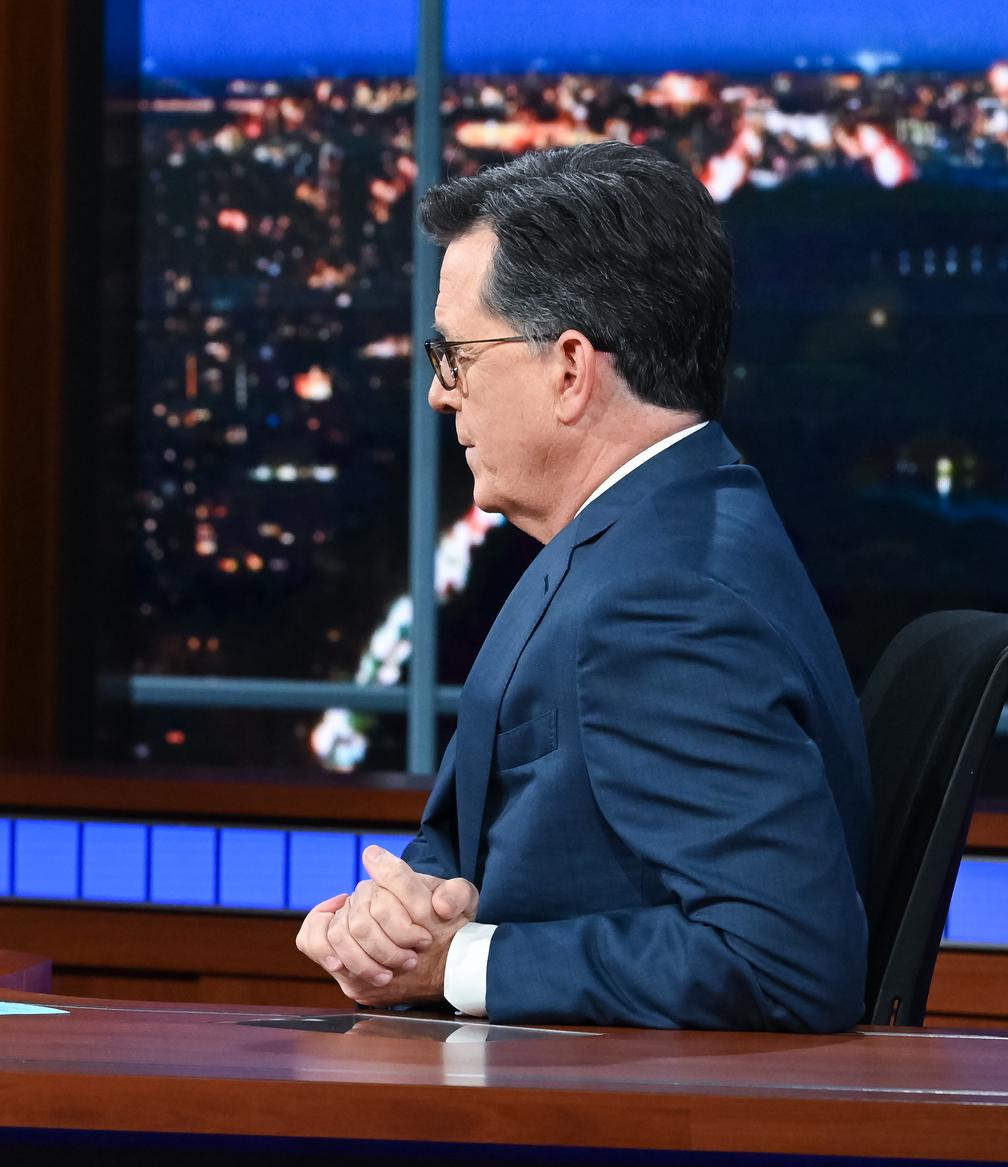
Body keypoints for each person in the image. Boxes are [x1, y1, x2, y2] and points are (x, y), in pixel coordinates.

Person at [295, 141, 870, 1031]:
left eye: (457, 357)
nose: (442, 396)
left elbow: (782, 960)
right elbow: (494, 833)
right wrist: (396, 920)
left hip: (608, 1135)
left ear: (570, 369)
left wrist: (459, 963)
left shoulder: (666, 599)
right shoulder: (641, 533)